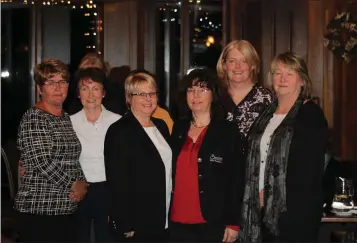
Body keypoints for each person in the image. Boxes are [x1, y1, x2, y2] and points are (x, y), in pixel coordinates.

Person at [239, 52, 328, 242]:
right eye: (277, 73)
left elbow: (308, 171)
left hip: (294, 213)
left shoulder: (310, 114)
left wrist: (269, 193)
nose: (282, 78)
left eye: (290, 73)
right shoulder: (266, 114)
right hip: (258, 210)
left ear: (302, 81)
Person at [168, 68, 245, 242]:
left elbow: (236, 179)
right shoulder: (178, 128)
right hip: (176, 221)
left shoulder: (227, 131)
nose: (195, 95)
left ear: (214, 95)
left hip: (212, 222)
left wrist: (233, 222)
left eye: (202, 90)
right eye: (191, 90)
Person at [15, 59, 87, 242]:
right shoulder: (34, 118)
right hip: (39, 211)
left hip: (64, 211)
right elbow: (42, 162)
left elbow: (73, 157)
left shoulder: (64, 117)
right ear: (40, 88)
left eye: (62, 82)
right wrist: (73, 184)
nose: (58, 88)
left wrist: (83, 184)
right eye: (50, 82)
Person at [104, 72, 172, 241]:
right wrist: (125, 223)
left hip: (165, 217)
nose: (148, 99)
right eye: (141, 94)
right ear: (129, 98)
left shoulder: (161, 126)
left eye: (152, 93)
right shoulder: (119, 131)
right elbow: (117, 181)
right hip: (138, 222)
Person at [70, 68, 121, 242]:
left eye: (95, 88)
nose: (90, 94)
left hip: (108, 189)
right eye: (84, 89)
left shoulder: (118, 122)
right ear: (78, 94)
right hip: (79, 189)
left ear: (104, 92)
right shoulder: (69, 123)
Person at [216, 40, 272, 139]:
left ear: (253, 66)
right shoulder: (215, 96)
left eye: (244, 61)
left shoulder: (267, 98)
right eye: (232, 61)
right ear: (224, 65)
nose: (238, 66)